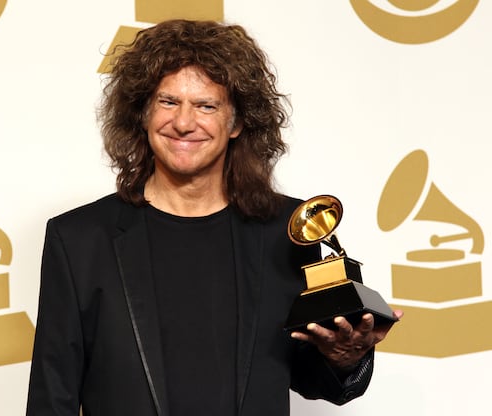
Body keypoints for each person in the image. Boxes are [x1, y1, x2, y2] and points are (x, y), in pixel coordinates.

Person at [26, 19, 402, 416]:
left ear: (237, 122)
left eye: (206, 105)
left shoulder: (292, 230)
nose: (184, 123)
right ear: (142, 113)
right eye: (168, 102)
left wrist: (344, 358)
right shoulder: (79, 239)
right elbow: (53, 397)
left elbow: (314, 378)